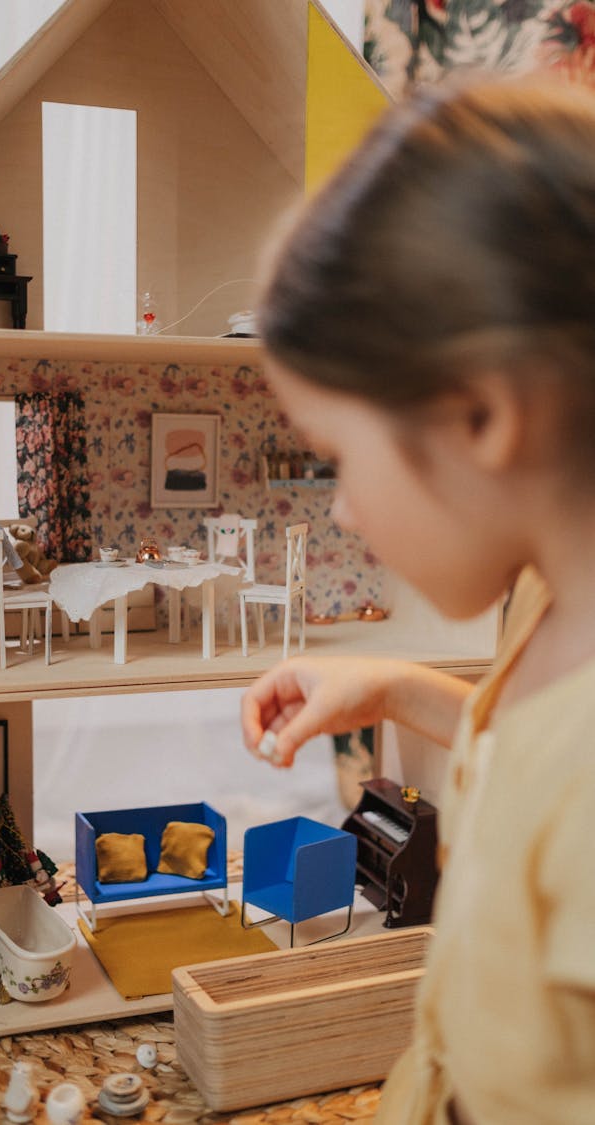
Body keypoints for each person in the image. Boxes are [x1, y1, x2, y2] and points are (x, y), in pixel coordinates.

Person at [241, 74, 595, 1125]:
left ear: (481, 414)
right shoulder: (552, 604)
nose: (344, 509)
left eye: (342, 459)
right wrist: (402, 688)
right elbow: (529, 763)